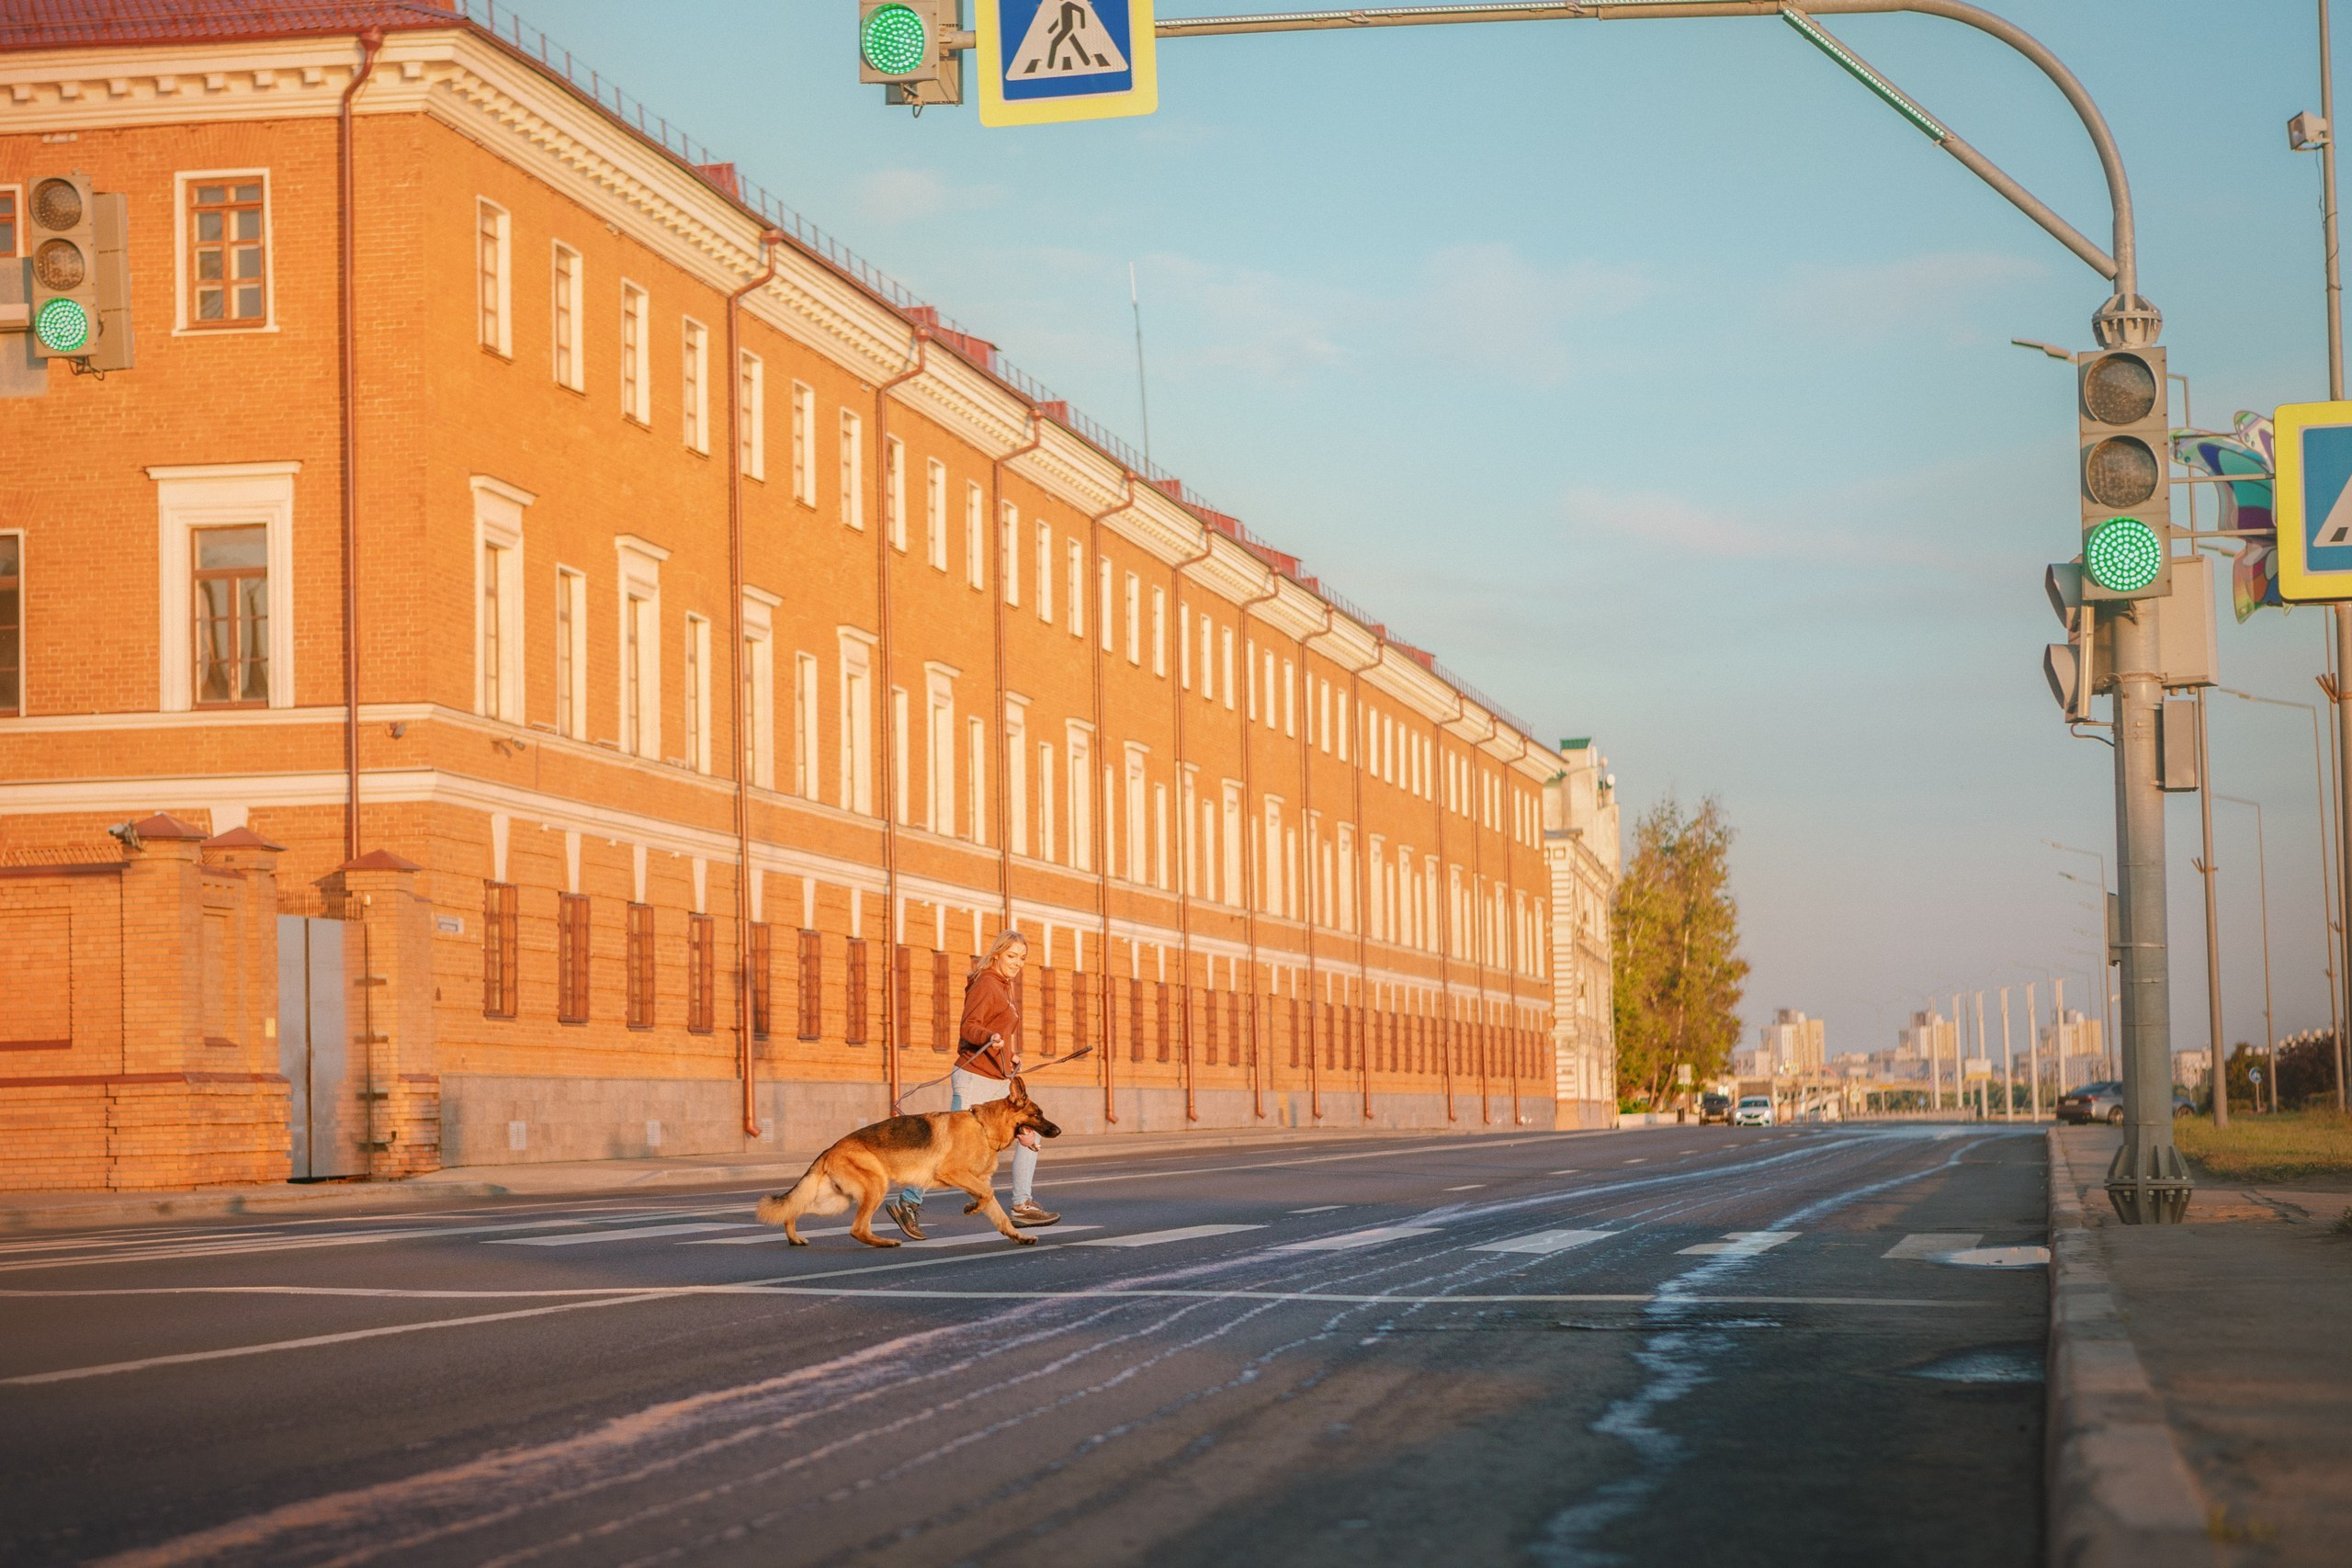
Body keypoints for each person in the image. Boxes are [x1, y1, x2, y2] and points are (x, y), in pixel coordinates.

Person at [883, 928, 1060, 1239]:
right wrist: (988, 1039)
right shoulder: (987, 983)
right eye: (1011, 956)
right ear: (997, 954)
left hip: (998, 1079)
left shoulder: (1004, 986)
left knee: (1029, 1133)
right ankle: (907, 1203)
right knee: (946, 1147)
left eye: (1022, 958)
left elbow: (999, 1032)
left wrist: (1009, 1056)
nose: (1017, 962)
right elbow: (969, 1026)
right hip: (974, 1077)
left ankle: (1022, 1204)